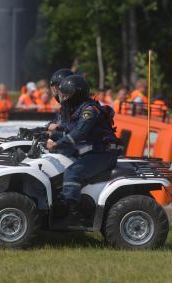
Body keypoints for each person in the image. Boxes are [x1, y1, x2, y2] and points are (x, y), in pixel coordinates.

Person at [46, 75, 120, 227]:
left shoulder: (89, 111)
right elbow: (69, 130)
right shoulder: (78, 108)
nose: (63, 97)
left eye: (65, 94)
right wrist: (50, 135)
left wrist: (56, 145)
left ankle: (73, 215)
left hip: (104, 153)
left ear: (75, 94)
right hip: (93, 150)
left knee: (73, 172)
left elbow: (78, 135)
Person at [46, 68, 74, 134]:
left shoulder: (81, 106)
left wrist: (58, 127)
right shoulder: (65, 107)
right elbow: (55, 122)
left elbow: (80, 128)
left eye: (58, 87)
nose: (57, 92)